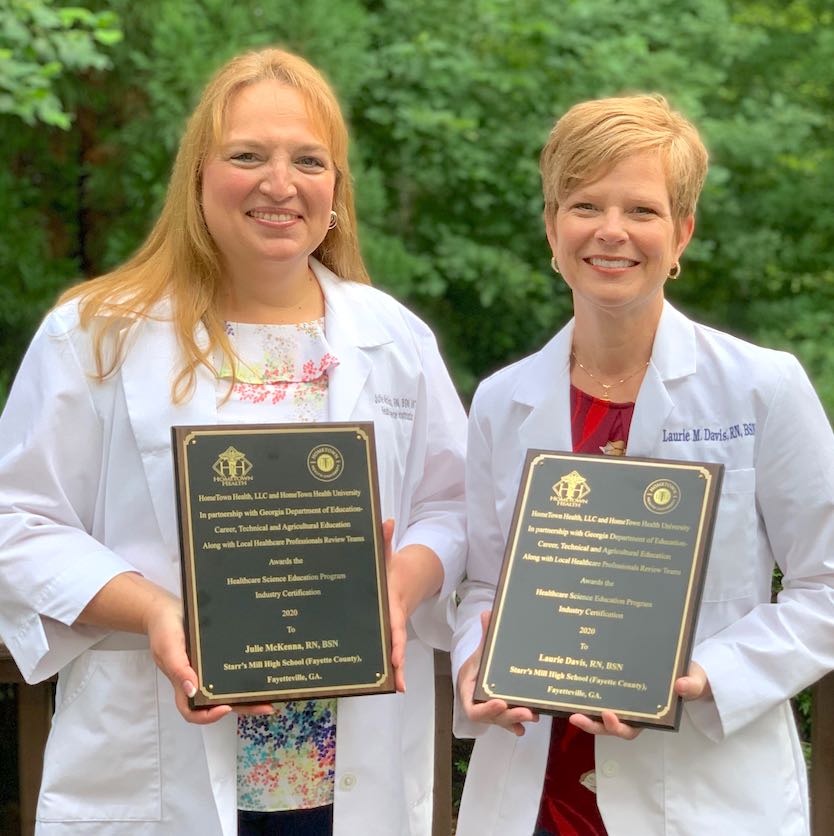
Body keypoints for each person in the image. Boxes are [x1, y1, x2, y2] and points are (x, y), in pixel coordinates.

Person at [0, 47, 467, 835]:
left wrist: (403, 581)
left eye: (308, 161)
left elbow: (451, 508)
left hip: (350, 766)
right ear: (197, 178)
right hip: (160, 761)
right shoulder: (94, 335)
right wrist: (155, 610)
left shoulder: (394, 339)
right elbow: (17, 523)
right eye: (247, 155)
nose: (279, 184)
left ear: (336, 193)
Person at [452, 94, 834, 836]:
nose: (612, 232)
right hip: (535, 796)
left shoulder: (764, 386)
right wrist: (476, 662)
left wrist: (705, 677)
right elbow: (483, 585)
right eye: (585, 204)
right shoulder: (502, 401)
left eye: (643, 210)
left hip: (706, 792)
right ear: (551, 228)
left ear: (682, 230)